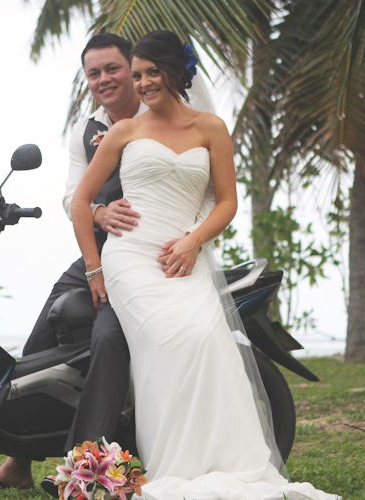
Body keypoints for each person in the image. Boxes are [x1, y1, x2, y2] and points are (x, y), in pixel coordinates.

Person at [70, 30, 339, 499]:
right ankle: (171, 465)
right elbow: (80, 201)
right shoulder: (124, 131)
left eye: (153, 72)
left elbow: (228, 203)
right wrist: (94, 268)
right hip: (131, 258)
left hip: (185, 257)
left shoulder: (211, 128)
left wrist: (194, 241)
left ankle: (226, 463)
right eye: (138, 75)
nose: (145, 82)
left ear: (178, 70)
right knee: (170, 341)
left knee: (207, 340)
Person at [0, 33, 215, 493]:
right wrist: (97, 221)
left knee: (107, 340)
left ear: (138, 68)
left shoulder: (168, 117)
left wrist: (191, 239)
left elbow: (206, 189)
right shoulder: (89, 128)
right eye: (93, 73)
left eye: (115, 69)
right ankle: (18, 459)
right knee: (40, 337)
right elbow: (72, 194)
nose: (105, 80)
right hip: (96, 253)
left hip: (157, 257)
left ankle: (90, 466)